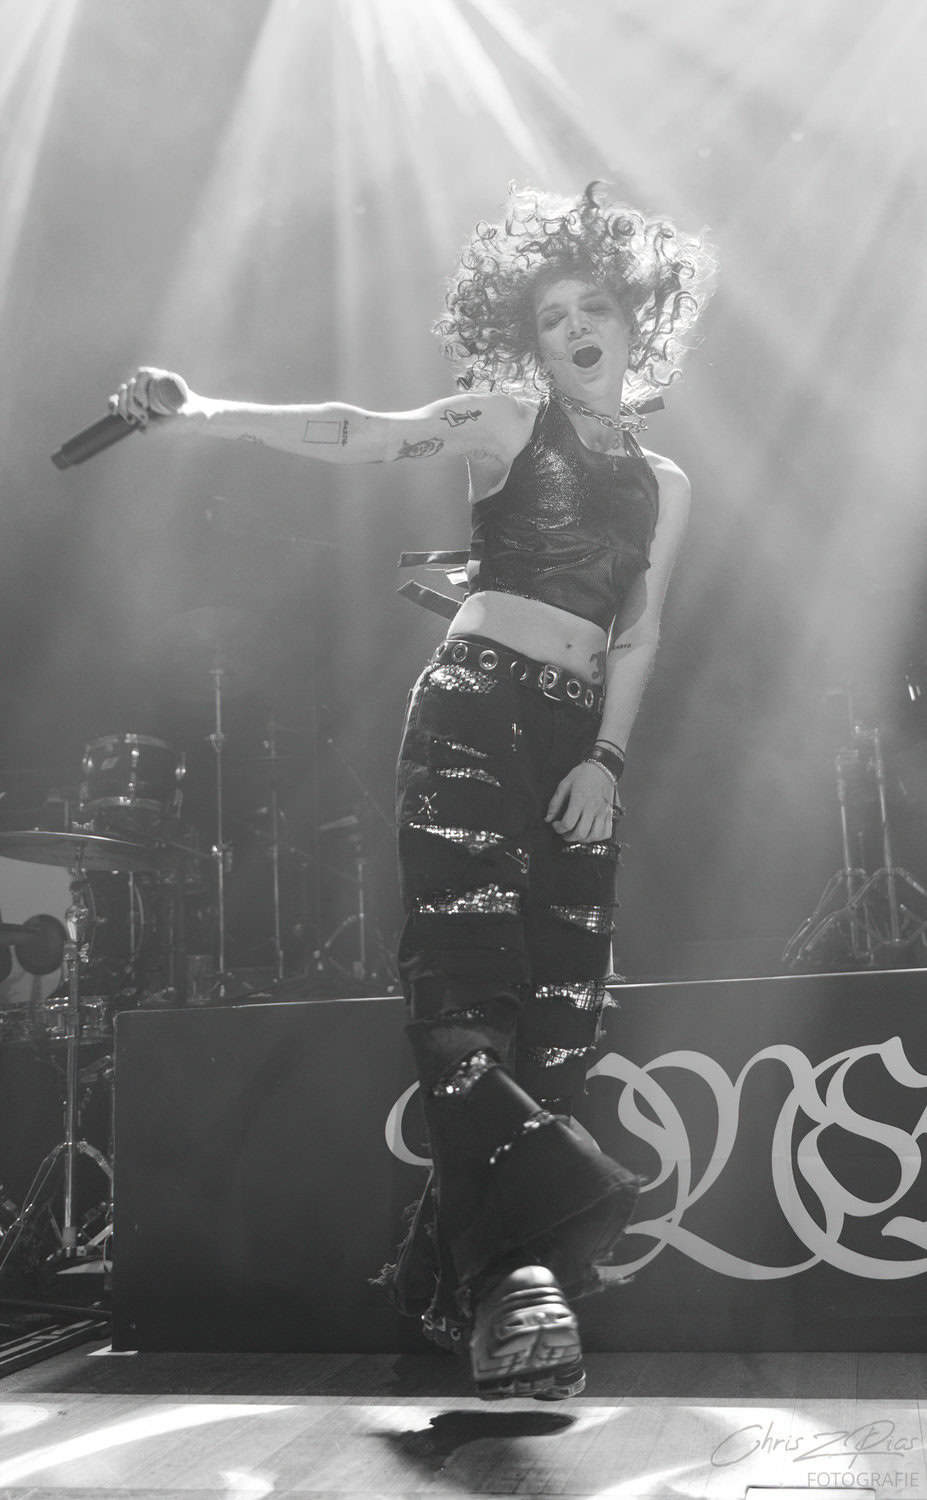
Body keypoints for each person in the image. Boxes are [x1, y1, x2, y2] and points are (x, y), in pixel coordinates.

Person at [111, 181, 713, 1400]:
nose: (574, 329)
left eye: (592, 308)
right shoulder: (503, 422)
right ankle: (517, 1292)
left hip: (574, 744)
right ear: (530, 340)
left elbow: (640, 635)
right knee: (468, 986)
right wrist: (201, 413)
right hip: (475, 709)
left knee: (561, 1022)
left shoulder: (668, 482)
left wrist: (605, 760)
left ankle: (460, 1284)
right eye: (551, 317)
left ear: (634, 320)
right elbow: (363, 431)